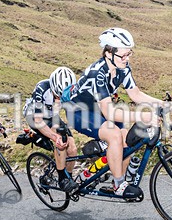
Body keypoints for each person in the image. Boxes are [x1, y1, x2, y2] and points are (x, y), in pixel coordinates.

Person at [66, 27, 165, 199]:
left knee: (128, 140)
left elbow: (136, 94)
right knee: (114, 136)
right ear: (108, 53)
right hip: (79, 112)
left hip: (98, 109)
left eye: (129, 54)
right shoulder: (97, 73)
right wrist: (142, 116)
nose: (127, 59)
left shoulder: (122, 67)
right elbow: (109, 112)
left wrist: (165, 104)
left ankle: (113, 179)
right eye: (123, 55)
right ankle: (119, 184)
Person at [24, 67, 79, 193]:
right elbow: (38, 121)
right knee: (59, 139)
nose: (59, 99)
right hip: (35, 116)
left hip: (52, 115)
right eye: (56, 95)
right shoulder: (42, 88)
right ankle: (62, 178)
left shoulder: (73, 89)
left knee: (73, 149)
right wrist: (54, 137)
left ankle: (68, 177)